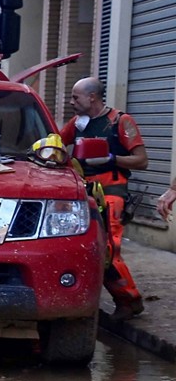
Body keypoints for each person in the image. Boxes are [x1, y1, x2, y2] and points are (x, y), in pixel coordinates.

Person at [58, 76, 149, 320]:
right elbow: (56, 142)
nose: (70, 102)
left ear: (92, 97)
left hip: (111, 191)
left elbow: (142, 160)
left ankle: (129, 300)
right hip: (84, 192)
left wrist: (111, 159)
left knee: (108, 249)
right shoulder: (78, 123)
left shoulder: (120, 121)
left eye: (75, 97)